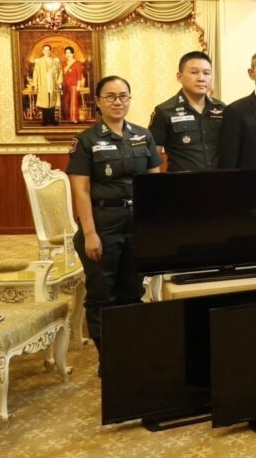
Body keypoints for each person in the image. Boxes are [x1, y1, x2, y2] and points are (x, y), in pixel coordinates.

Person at [67, 76, 161, 364]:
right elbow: (81, 190)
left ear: (130, 99)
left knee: (132, 292)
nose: (117, 102)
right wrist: (90, 233)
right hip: (103, 223)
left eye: (123, 96)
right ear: (98, 102)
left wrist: (152, 227)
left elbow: (154, 184)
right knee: (102, 295)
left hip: (137, 224)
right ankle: (109, 360)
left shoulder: (143, 135)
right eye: (110, 96)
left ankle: (129, 355)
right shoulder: (86, 140)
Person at [148, 51, 226, 172]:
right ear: (179, 76)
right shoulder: (164, 111)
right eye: (194, 72)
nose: (201, 78)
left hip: (219, 181)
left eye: (206, 73)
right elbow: (153, 157)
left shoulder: (222, 109)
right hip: (181, 183)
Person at [32, 44, 62, 125]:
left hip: (52, 84)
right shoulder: (39, 61)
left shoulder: (55, 61)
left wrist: (59, 82)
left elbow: (60, 72)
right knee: (45, 102)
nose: (47, 51)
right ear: (43, 51)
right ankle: (45, 120)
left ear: (50, 51)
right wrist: (35, 84)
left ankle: (52, 120)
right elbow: (35, 73)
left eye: (48, 50)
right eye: (45, 50)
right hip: (43, 84)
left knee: (52, 102)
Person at [61, 46, 85, 124]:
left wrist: (78, 86)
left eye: (69, 53)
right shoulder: (63, 63)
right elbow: (62, 74)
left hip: (74, 85)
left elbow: (79, 75)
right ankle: (68, 118)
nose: (68, 54)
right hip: (65, 85)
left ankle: (74, 119)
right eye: (66, 53)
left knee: (73, 102)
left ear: (73, 53)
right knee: (66, 102)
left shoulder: (77, 63)